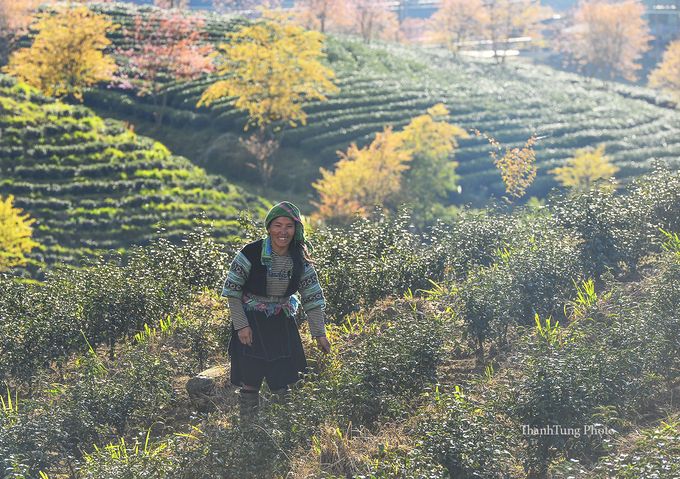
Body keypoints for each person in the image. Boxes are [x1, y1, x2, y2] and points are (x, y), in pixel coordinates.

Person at [222, 201, 331, 416]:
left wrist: (319, 334)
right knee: (250, 380)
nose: (283, 231)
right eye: (278, 225)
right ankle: (248, 429)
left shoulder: (300, 259)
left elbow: (312, 298)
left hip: (281, 321)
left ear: (296, 228)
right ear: (269, 227)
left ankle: (283, 430)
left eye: (289, 226)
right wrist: (241, 326)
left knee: (283, 383)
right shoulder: (250, 253)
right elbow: (232, 291)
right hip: (251, 320)